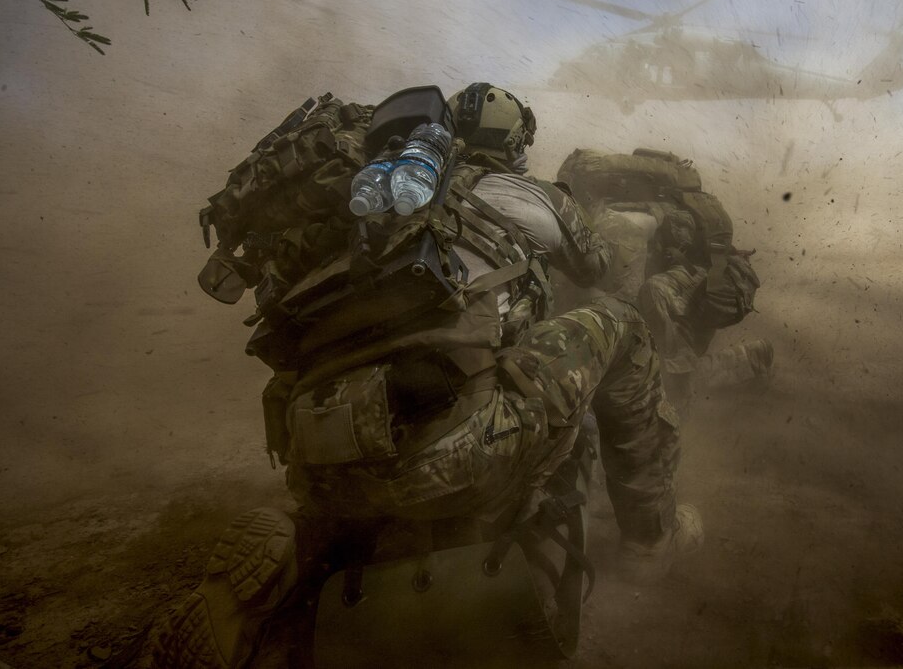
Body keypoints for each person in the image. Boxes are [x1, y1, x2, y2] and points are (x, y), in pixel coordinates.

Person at [152, 84, 701, 668]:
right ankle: (649, 538)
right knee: (623, 327)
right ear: (517, 143)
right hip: (460, 454)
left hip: (318, 463)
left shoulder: (372, 199)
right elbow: (597, 267)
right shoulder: (529, 193)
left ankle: (296, 552)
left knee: (378, 469)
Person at [555, 147, 773, 413]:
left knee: (658, 382)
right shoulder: (650, 211)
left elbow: (623, 295)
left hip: (683, 306)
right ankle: (751, 358)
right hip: (685, 306)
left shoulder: (632, 219)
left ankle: (697, 384)